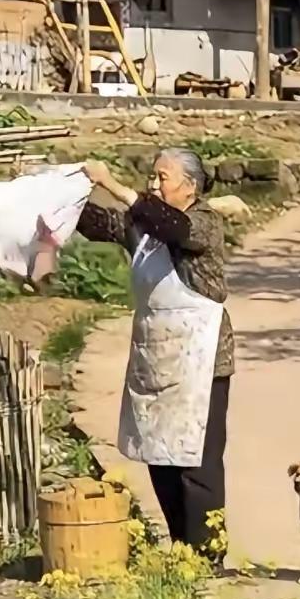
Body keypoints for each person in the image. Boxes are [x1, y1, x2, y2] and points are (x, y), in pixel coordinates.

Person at [77, 149, 233, 558]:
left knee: (196, 462)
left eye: (162, 177)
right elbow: (99, 224)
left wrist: (112, 183)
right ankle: (182, 548)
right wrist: (67, 193)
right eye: (152, 176)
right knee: (160, 455)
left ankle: (208, 554)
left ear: (190, 187)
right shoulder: (143, 226)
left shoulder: (204, 222)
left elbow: (175, 229)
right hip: (157, 356)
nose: (154, 183)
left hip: (201, 359)